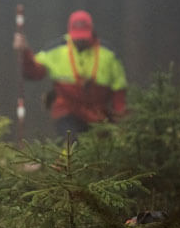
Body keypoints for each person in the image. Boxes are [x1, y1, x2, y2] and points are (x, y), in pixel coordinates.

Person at [13, 10, 127, 138]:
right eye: (77, 37)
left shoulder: (108, 54)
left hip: (100, 114)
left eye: (84, 37)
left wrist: (120, 119)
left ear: (92, 32)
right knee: (71, 142)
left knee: (102, 150)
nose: (80, 41)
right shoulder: (55, 50)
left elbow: (119, 91)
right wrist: (25, 52)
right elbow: (33, 73)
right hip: (67, 110)